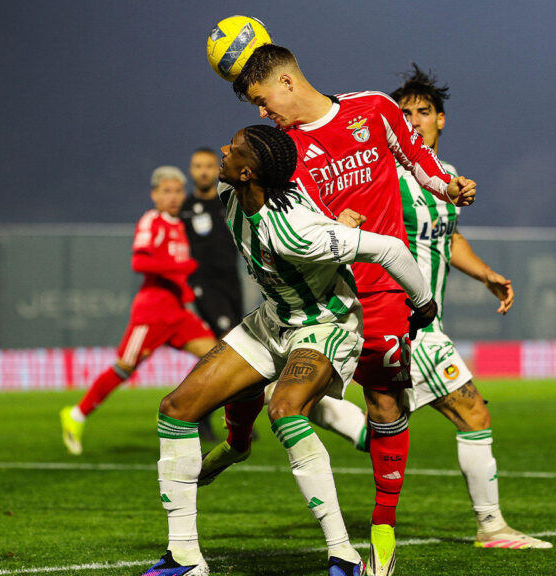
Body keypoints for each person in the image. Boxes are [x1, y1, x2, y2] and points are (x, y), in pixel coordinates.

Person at [202, 44, 477, 575]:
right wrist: (332, 224)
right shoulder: (279, 149)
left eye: (261, 99)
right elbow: (287, 219)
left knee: (383, 401)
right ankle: (237, 443)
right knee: (257, 380)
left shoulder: (372, 108)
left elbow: (420, 165)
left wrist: (451, 186)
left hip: (386, 286)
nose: (260, 113)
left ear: (285, 82)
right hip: (322, 295)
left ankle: (382, 529)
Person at [141, 124, 437, 576]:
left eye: (234, 149)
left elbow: (392, 250)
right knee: (175, 408)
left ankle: (344, 556)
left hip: (326, 324)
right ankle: (184, 557)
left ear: (247, 173)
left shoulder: (297, 232)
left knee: (285, 410)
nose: (224, 150)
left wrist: (424, 303)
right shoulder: (228, 187)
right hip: (273, 319)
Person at [313, 65, 553, 549]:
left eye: (423, 111)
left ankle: (325, 406)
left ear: (441, 120)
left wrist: (485, 273)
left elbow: (448, 238)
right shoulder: (386, 176)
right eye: (404, 112)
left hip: (422, 316)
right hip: (408, 319)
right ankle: (492, 527)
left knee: (390, 419)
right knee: (473, 415)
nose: (414, 119)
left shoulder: (440, 177)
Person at [60, 166, 217, 455]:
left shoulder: (179, 225)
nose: (173, 197)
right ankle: (76, 415)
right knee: (124, 367)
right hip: (151, 313)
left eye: (177, 191)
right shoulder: (152, 221)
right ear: (154, 194)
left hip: (177, 313)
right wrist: (183, 268)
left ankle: (191, 415)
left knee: (216, 355)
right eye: (166, 191)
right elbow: (140, 263)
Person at [180, 148, 245, 442]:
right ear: (191, 170)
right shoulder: (184, 207)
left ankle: (230, 416)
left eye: (208, 165)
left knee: (227, 350)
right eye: (198, 166)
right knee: (228, 345)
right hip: (203, 285)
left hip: (231, 282)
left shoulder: (227, 199)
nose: (204, 171)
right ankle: (201, 416)